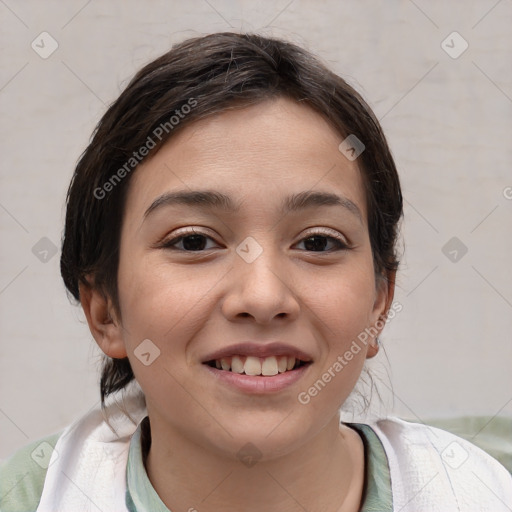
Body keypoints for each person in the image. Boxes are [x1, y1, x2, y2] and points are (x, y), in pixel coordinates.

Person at [1, 32, 511, 512]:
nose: (263, 296)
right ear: (105, 309)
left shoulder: (478, 491)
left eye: (317, 242)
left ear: (380, 301)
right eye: (195, 241)